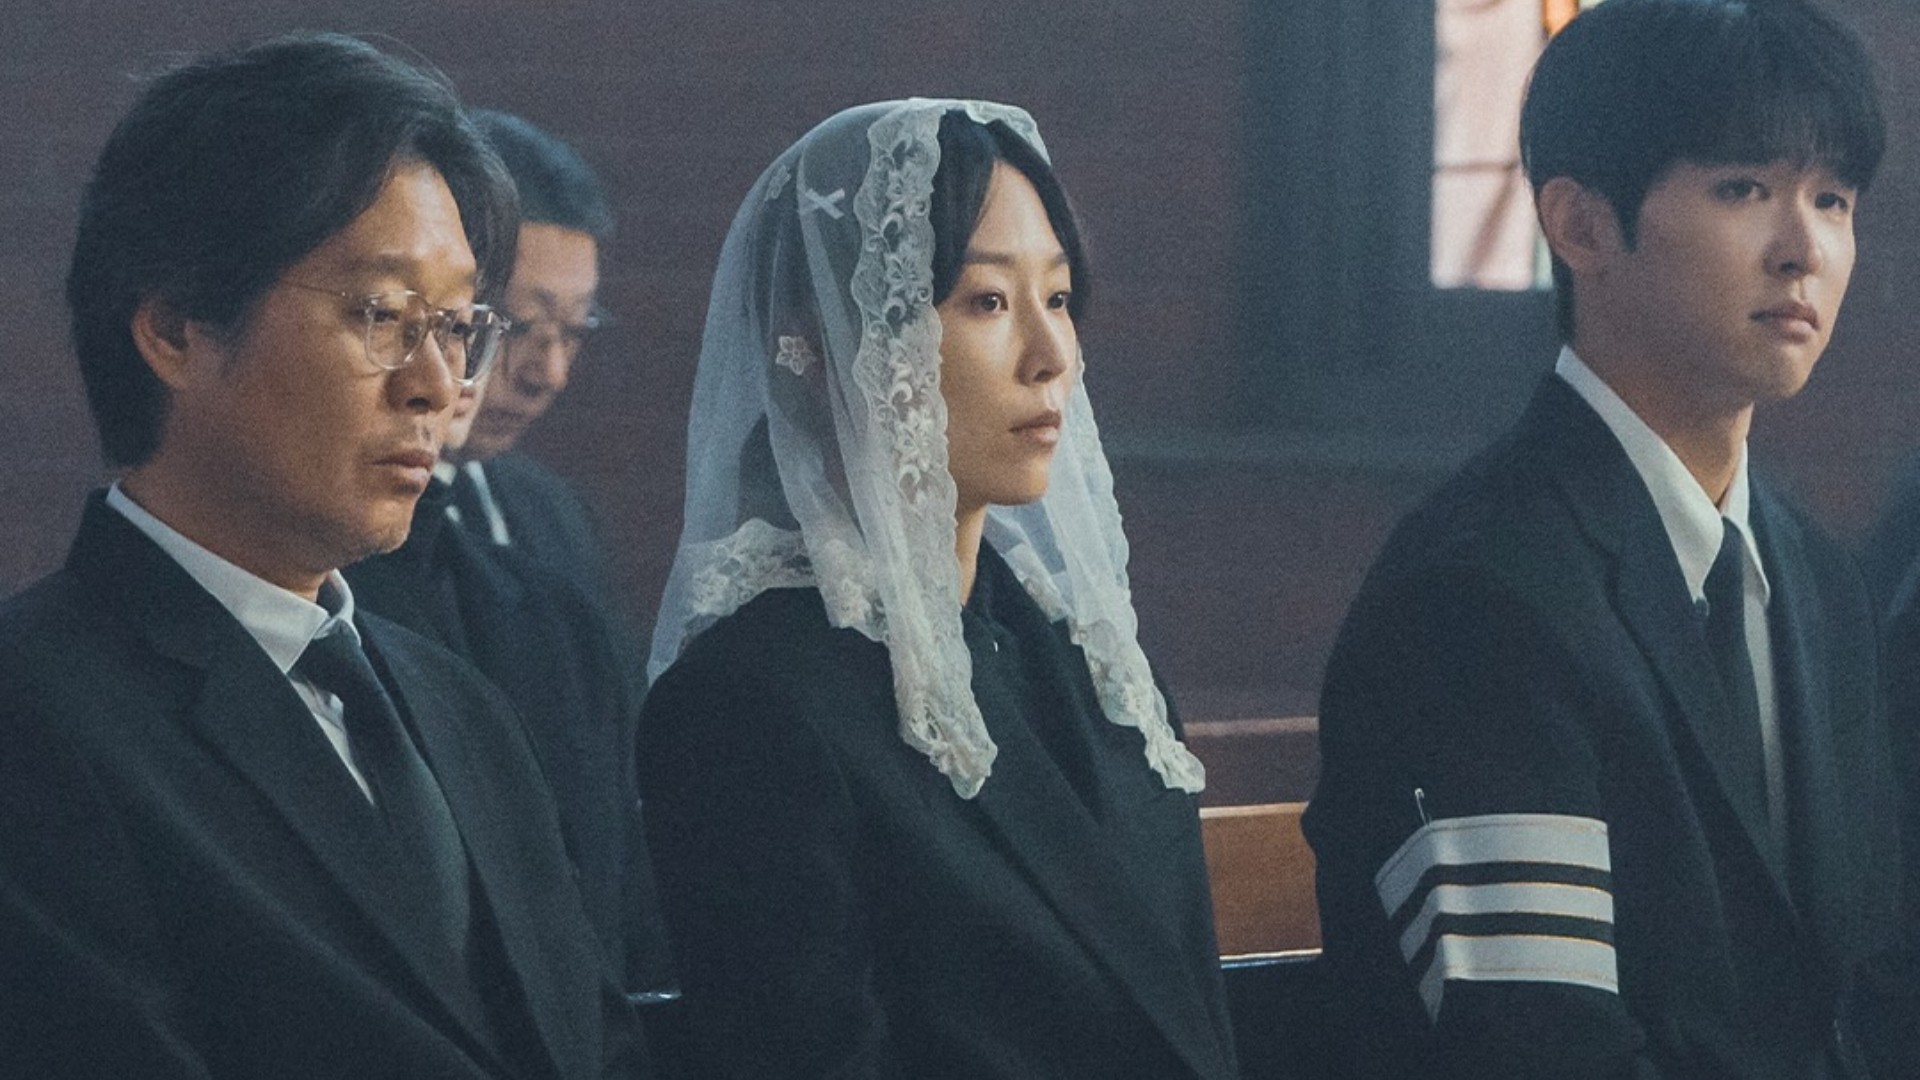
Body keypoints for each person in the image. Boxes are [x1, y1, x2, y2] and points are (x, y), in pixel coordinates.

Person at [0, 33, 645, 1079]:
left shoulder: (461, 708)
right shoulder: (35, 715)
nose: (439, 384)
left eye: (458, 326)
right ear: (176, 328)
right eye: (381, 314)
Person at [1304, 2, 1904, 1077]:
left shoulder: (1817, 582)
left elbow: (1876, 989)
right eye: (1743, 189)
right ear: (1581, 226)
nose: (1804, 250)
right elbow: (1538, 1049)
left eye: (1832, 199)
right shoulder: (1479, 593)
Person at [637, 100, 1239, 1080]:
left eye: (1059, 297)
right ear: (828, 340)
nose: (1052, 356)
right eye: (988, 302)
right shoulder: (749, 706)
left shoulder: (1095, 668)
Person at [344, 375, 674, 995]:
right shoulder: (354, 604)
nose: (445, 378)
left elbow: (614, 854)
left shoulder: (553, 604)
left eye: (463, 335)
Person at [445, 109, 627, 614]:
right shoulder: (334, 526)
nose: (549, 375)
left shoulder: (559, 516)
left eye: (574, 331)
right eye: (520, 325)